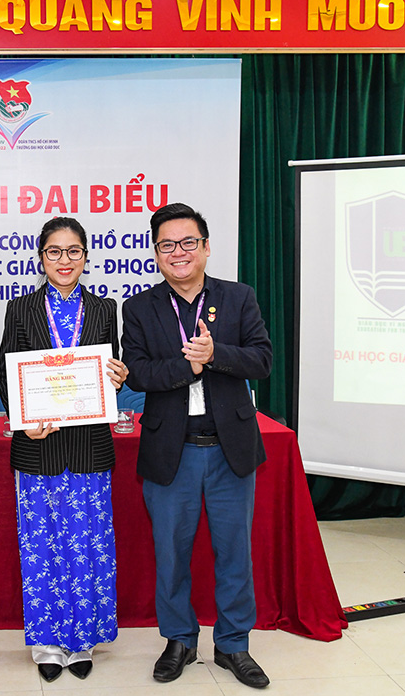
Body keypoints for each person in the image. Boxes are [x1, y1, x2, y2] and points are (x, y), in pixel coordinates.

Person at [120, 203, 273, 689]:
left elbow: (262, 360)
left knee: (234, 553)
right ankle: (179, 640)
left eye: (188, 242)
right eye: (167, 245)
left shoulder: (238, 297)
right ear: (155, 253)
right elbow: (138, 373)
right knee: (171, 554)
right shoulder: (139, 307)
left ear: (206, 247)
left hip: (230, 450)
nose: (178, 252)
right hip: (172, 450)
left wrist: (215, 354)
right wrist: (188, 366)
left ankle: (233, 644)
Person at [0, 217, 128, 683]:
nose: (64, 260)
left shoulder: (105, 308)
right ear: (41, 258)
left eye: (74, 251)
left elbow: (110, 369)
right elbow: (6, 372)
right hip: (38, 446)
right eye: (54, 251)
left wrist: (117, 376)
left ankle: (84, 640)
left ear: (86, 257)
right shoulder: (20, 308)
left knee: (90, 544)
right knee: (41, 546)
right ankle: (48, 643)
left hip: (89, 446)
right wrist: (23, 419)